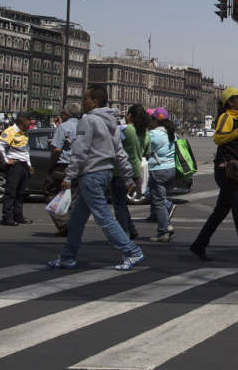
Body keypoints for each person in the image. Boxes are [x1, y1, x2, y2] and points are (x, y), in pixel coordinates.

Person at [47, 85, 144, 271]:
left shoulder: (87, 120)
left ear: (95, 101)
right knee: (76, 218)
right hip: (105, 172)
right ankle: (68, 256)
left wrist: (69, 175)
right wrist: (128, 178)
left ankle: (132, 251)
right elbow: (119, 152)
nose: (83, 102)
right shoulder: (112, 122)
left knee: (104, 218)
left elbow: (80, 151)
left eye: (86, 98)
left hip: (91, 174)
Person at [189, 87, 238, 263]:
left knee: (220, 212)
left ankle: (199, 245)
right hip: (226, 171)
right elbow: (218, 138)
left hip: (231, 171)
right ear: (230, 101)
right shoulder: (226, 118)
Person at [114, 105, 150, 241]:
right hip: (136, 171)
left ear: (129, 115)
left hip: (121, 170)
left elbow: (114, 145)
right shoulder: (145, 133)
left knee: (119, 204)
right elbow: (147, 152)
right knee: (123, 202)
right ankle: (132, 229)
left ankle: (124, 233)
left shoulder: (124, 129)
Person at [47, 104, 81, 236]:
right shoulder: (83, 126)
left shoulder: (63, 127)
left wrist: (52, 164)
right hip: (78, 165)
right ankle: (73, 226)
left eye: (63, 112)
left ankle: (63, 224)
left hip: (63, 165)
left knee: (50, 192)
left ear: (68, 114)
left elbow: (56, 149)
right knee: (73, 197)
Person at [0, 112, 34, 226]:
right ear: (22, 121)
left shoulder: (25, 133)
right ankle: (7, 217)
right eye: (29, 122)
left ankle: (18, 215)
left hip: (23, 165)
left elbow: (26, 151)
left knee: (21, 192)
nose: (30, 124)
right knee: (11, 192)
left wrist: (29, 164)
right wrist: (6, 160)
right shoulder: (10, 131)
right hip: (14, 165)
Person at [146, 109, 177, 242]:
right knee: (159, 198)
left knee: (158, 201)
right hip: (171, 169)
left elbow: (145, 149)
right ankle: (167, 224)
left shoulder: (152, 134)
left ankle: (163, 231)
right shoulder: (172, 134)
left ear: (154, 120)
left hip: (158, 169)